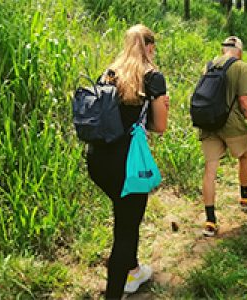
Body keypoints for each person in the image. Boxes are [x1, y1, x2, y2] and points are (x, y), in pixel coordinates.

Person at [86, 24, 169, 299]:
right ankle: (116, 291)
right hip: (128, 165)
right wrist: (164, 105)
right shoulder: (153, 78)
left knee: (123, 213)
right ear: (149, 46)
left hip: (97, 160)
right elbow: (159, 126)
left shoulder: (109, 73)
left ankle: (132, 268)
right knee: (126, 230)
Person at [200, 36, 247, 237]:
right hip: (232, 124)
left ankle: (210, 220)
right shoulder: (242, 67)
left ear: (223, 49)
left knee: (210, 169)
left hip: (208, 123)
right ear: (239, 51)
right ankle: (244, 197)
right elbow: (244, 100)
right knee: (244, 156)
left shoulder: (209, 65)